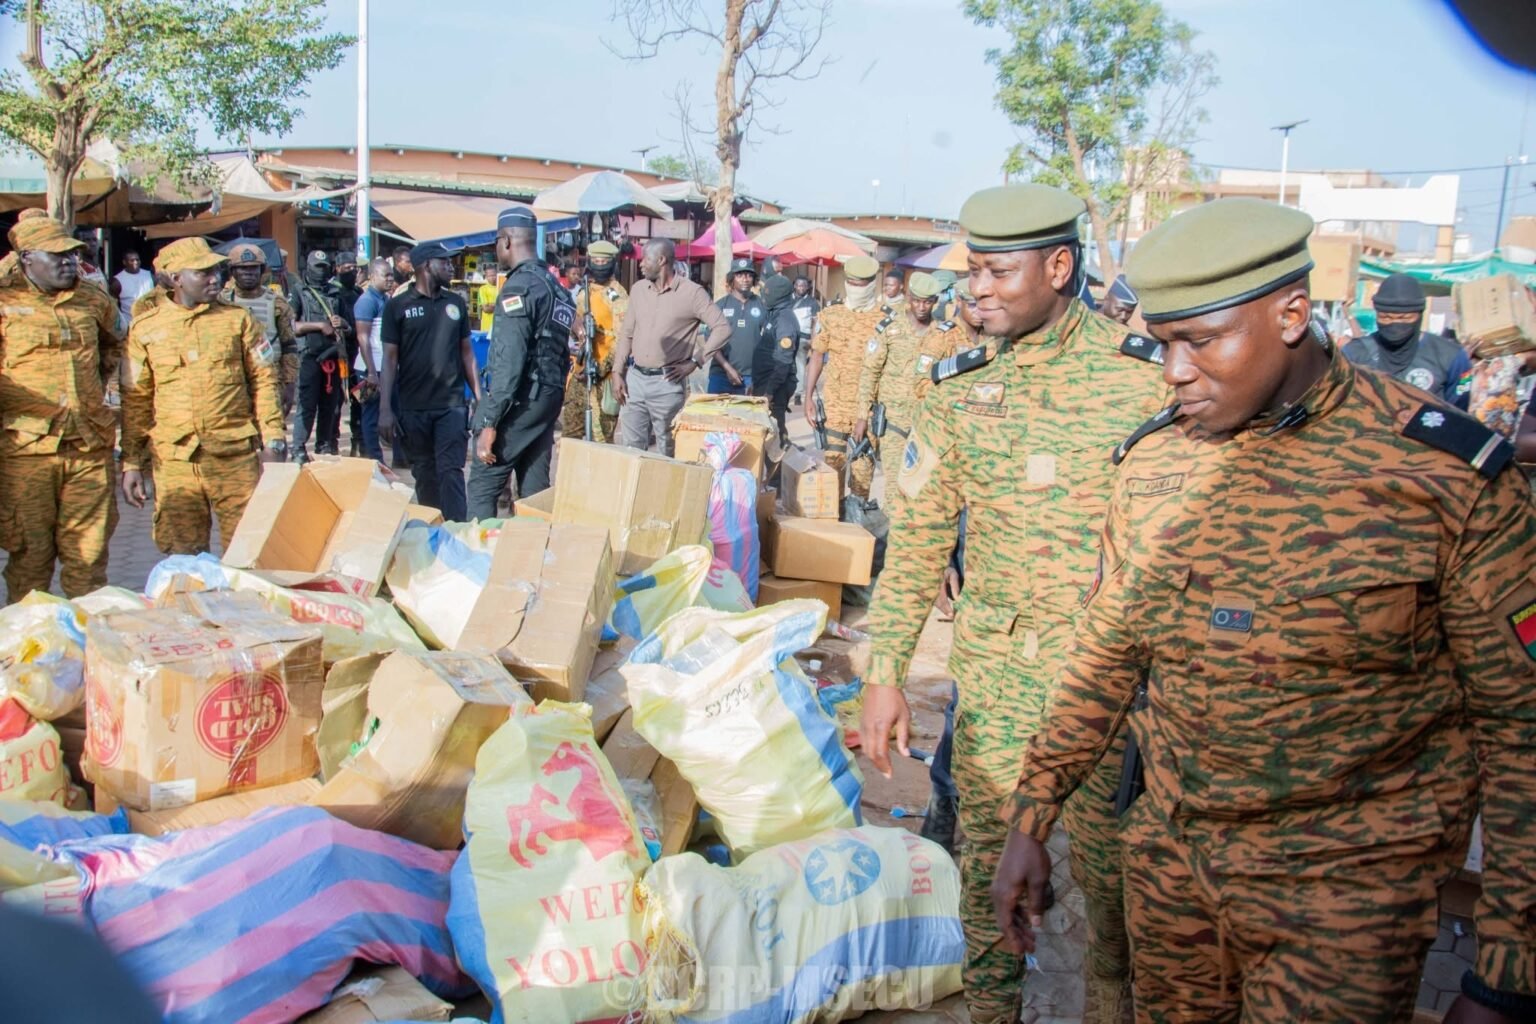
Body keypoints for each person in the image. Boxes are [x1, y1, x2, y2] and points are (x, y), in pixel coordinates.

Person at [990, 198, 1536, 1024]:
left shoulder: (1445, 479)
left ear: (1289, 315)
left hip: (1343, 898)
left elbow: (1522, 729)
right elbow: (1107, 650)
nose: (1172, 370)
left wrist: (1505, 974)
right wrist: (1032, 815)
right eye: (1164, 340)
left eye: (1200, 342)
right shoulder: (1154, 464)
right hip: (1175, 874)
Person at [861, 184, 1168, 1024]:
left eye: (999, 272)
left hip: (1106, 690)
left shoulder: (1143, 381)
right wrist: (884, 672)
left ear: (1059, 266)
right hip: (996, 683)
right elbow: (919, 540)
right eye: (973, 272)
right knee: (987, 880)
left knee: (1111, 896)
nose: (978, 290)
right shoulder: (958, 386)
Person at [120, 238, 286, 554]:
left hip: (234, 456)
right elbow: (136, 401)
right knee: (182, 558)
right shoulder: (145, 329)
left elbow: (265, 381)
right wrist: (131, 463)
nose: (215, 279)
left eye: (216, 270)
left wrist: (274, 441)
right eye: (203, 272)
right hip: (175, 462)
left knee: (248, 552)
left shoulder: (238, 320)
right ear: (175, 277)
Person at [0, 216, 122, 600]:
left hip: (89, 445)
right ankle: (28, 650)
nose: (68, 262)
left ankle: (85, 647)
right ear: (27, 258)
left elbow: (116, 345)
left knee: (87, 559)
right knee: (29, 560)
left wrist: (96, 389)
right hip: (26, 452)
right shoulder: (5, 302)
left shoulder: (93, 299)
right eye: (57, 255)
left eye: (72, 254)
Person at [468, 207, 574, 518]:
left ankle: (478, 559)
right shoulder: (559, 291)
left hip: (521, 399)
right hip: (548, 398)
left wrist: (489, 421)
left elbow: (508, 361)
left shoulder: (518, 288)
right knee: (534, 492)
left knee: (483, 484)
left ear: (506, 241)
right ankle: (534, 556)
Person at [379, 241, 479, 521]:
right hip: (413, 407)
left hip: (451, 405)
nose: (450, 267)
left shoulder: (455, 303)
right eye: (443, 262)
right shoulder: (397, 307)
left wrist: (481, 398)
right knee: (424, 473)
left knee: (451, 471)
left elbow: (467, 353)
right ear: (424, 266)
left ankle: (458, 532)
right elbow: (389, 360)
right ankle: (433, 532)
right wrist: (385, 409)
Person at [609, 238, 730, 457]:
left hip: (667, 383)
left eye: (646, 258)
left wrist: (695, 362)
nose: (641, 264)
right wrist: (617, 371)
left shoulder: (692, 293)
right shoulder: (638, 290)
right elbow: (626, 333)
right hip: (634, 381)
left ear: (662, 260)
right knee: (630, 450)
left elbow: (722, 328)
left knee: (668, 450)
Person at [852, 272, 963, 502]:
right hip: (893, 421)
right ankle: (890, 535)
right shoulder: (890, 329)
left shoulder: (942, 334)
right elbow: (870, 372)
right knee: (894, 485)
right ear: (909, 298)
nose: (922, 307)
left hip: (925, 423)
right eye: (917, 301)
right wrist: (862, 415)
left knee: (918, 489)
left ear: (935, 302)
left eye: (928, 302)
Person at [803, 254, 884, 500]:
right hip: (835, 406)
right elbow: (817, 356)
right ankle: (833, 529)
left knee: (861, 477)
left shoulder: (885, 320)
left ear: (872, 284)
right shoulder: (831, 316)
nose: (856, 289)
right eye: (852, 283)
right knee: (832, 471)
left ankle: (856, 528)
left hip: (867, 410)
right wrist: (807, 397)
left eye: (862, 284)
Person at [1343, 272, 1471, 409]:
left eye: (1405, 318)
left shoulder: (1451, 356)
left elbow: (1459, 411)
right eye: (1385, 317)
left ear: (1419, 315)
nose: (1395, 324)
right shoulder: (1353, 353)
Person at [221, 243, 299, 418]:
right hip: (233, 383)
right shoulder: (221, 302)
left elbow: (289, 346)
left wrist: (290, 383)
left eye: (253, 268)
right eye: (242, 269)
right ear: (232, 271)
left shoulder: (278, 304)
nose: (249, 273)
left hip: (271, 380)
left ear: (262, 270)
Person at [563, 240, 627, 443]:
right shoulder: (585, 293)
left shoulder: (617, 295)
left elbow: (623, 339)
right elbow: (576, 330)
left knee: (601, 440)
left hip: (604, 377)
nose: (600, 265)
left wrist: (601, 369)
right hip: (581, 371)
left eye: (604, 261)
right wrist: (577, 328)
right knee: (570, 434)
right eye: (596, 260)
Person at [290, 251, 348, 461]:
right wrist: (319, 325)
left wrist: (341, 323)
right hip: (309, 357)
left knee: (330, 406)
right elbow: (291, 325)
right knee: (307, 406)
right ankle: (298, 448)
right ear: (308, 267)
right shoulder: (298, 292)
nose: (321, 271)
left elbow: (348, 325)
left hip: (332, 357)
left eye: (324, 267)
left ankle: (324, 446)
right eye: (317, 267)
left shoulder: (336, 292)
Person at [350, 257, 392, 462]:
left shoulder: (385, 299)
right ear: (373, 276)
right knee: (370, 415)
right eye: (387, 275)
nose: (391, 279)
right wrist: (371, 372)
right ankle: (374, 458)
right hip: (370, 367)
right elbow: (362, 337)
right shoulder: (366, 302)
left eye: (392, 275)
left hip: (385, 366)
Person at [751, 275, 801, 443]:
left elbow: (783, 361)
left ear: (777, 295)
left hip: (775, 387)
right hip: (764, 382)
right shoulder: (774, 314)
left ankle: (778, 466)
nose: (764, 296)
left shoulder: (785, 319)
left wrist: (769, 391)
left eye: (767, 293)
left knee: (774, 434)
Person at [711, 257, 764, 395]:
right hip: (720, 374)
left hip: (751, 377)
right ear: (732, 279)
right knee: (717, 416)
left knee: (747, 417)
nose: (745, 279)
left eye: (749, 275)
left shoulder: (761, 304)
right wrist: (728, 368)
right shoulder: (720, 305)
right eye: (739, 275)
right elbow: (710, 342)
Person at [329, 250, 362, 454]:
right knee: (335, 402)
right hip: (338, 355)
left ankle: (357, 442)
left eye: (354, 268)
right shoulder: (332, 292)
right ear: (338, 269)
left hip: (357, 355)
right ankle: (332, 440)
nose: (352, 271)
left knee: (359, 400)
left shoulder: (359, 293)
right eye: (347, 268)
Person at [791, 275, 820, 404]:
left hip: (804, 337)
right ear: (794, 286)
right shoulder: (788, 300)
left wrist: (813, 339)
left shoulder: (812, 302)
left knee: (800, 363)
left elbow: (816, 322)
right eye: (798, 285)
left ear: (807, 287)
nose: (800, 288)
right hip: (788, 337)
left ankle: (798, 393)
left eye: (803, 285)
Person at [113, 249, 156, 322]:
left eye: (137, 260)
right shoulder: (117, 281)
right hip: (130, 322)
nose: (135, 262)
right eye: (132, 260)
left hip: (150, 321)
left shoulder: (149, 275)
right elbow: (114, 304)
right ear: (124, 262)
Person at [475, 266, 500, 333]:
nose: (492, 277)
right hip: (487, 327)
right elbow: (486, 309)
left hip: (500, 327)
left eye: (494, 275)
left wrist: (491, 304)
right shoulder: (483, 289)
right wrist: (499, 305)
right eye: (490, 276)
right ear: (486, 277)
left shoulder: (502, 287)